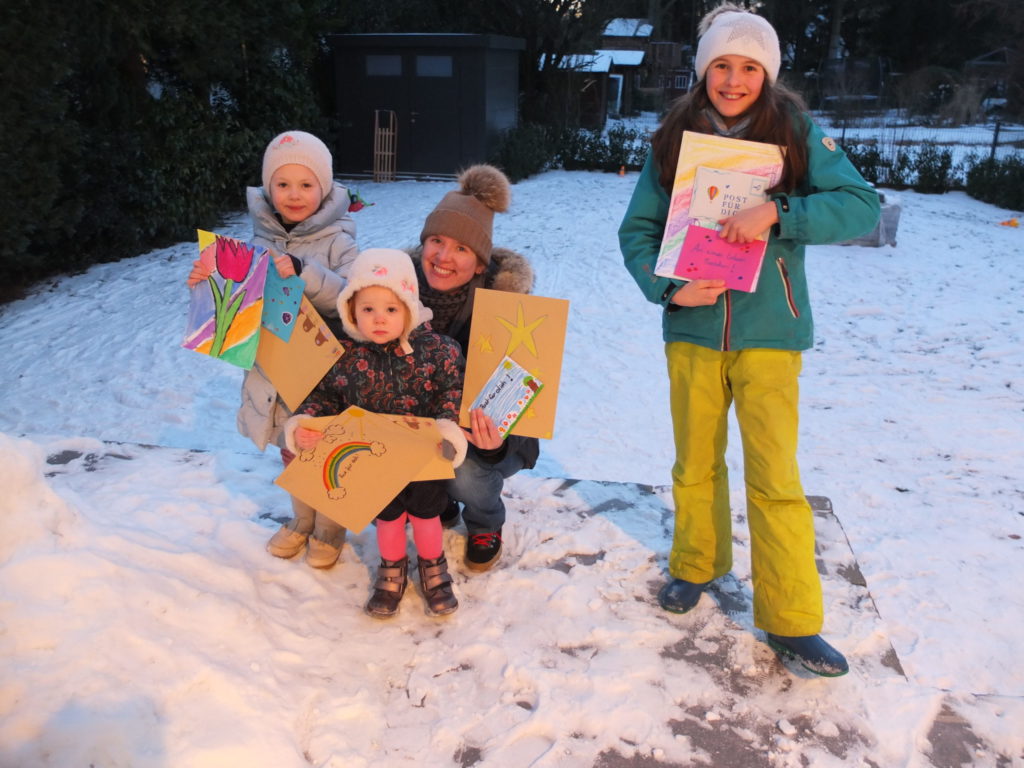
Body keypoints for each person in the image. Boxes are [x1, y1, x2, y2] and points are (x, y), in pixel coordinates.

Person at [618, 3, 880, 677]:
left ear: (768, 74)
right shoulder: (673, 137)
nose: (733, 80)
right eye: (721, 66)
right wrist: (668, 289)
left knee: (774, 477)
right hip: (694, 330)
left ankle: (792, 620)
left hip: (770, 332)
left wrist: (779, 211)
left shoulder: (792, 130)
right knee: (694, 462)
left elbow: (860, 205)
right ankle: (696, 564)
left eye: (749, 68)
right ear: (704, 70)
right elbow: (637, 232)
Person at [189, 130, 359, 569]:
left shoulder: (339, 240)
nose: (294, 195)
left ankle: (329, 528)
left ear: (323, 188)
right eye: (283, 184)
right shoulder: (255, 243)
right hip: (273, 367)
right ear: (268, 189)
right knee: (291, 444)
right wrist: (205, 289)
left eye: (306, 184)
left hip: (323, 368)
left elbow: (352, 298)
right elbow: (236, 305)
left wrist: (304, 272)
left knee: (323, 447)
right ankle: (302, 520)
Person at [282, 248, 468, 618]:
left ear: (409, 309)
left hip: (421, 458)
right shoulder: (346, 358)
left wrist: (448, 429)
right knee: (389, 518)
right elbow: (324, 397)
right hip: (373, 462)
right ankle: (392, 568)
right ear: (352, 311)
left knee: (427, 515)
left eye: (391, 309)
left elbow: (452, 391)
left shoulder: (437, 352)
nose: (379, 319)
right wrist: (305, 426)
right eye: (368, 309)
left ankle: (434, 567)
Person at [410, 165, 539, 572]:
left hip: (494, 438)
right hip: (423, 424)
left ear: (480, 263)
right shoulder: (397, 295)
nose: (443, 257)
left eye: (462, 249)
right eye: (436, 241)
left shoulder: (506, 312)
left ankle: (485, 521)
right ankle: (439, 495)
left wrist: (497, 442)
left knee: (465, 470)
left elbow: (527, 387)